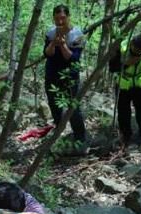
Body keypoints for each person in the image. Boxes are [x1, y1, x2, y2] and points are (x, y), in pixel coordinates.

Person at [44, 4, 87, 150]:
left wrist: (62, 45)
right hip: (52, 74)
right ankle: (58, 131)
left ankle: (80, 137)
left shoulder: (78, 34)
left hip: (70, 76)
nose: (60, 21)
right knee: (54, 104)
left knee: (73, 107)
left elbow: (73, 58)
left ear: (68, 17)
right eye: (57, 19)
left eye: (63, 18)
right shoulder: (50, 33)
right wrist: (52, 44)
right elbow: (47, 54)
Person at [109, 34, 141, 148]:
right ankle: (126, 134)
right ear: (131, 44)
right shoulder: (122, 47)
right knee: (123, 111)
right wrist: (126, 63)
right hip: (123, 84)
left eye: (140, 51)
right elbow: (112, 67)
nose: (138, 52)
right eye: (136, 49)